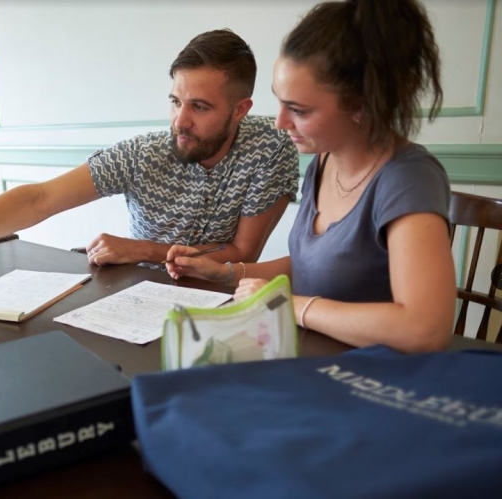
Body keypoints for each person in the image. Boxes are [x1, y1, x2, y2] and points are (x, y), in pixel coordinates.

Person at [0, 29, 299, 287]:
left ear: (240, 110)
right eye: (175, 101)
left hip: (222, 302)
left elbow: (243, 255)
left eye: (200, 107)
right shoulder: (145, 153)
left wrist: (145, 249)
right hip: (134, 298)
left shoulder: (269, 148)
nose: (179, 122)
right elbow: (39, 199)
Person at [166, 0, 455, 353]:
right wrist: (224, 272)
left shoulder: (409, 179)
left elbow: (424, 329)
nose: (280, 122)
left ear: (361, 106)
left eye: (298, 110)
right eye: (281, 102)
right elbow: (313, 268)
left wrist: (294, 306)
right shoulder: (323, 160)